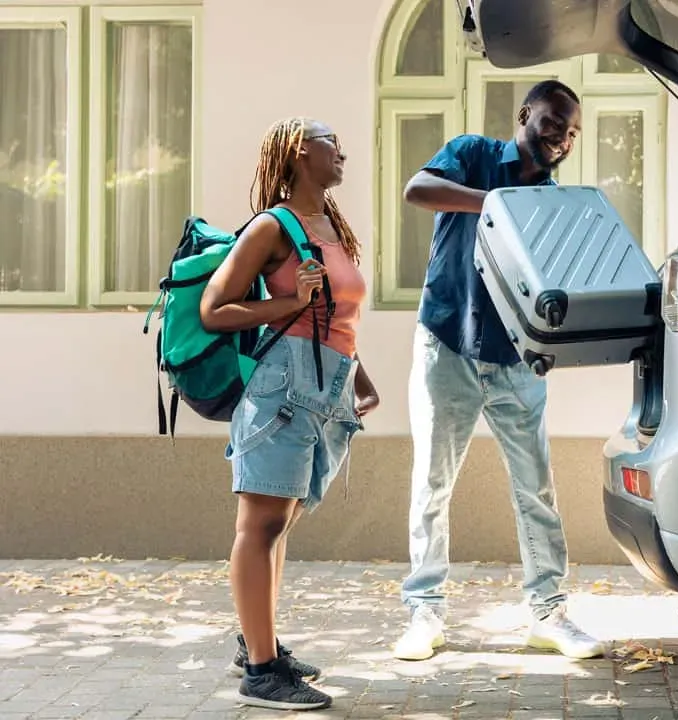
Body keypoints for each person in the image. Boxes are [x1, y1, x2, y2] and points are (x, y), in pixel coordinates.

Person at [393, 80, 604, 662]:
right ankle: (424, 612)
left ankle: (547, 613)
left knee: (536, 488)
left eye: (572, 131)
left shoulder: (554, 200)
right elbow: (418, 189)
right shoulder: (472, 155)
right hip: (448, 346)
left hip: (518, 361)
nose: (562, 137)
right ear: (525, 116)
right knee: (433, 486)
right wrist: (493, 200)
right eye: (554, 122)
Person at [200, 117, 379, 711]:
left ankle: (260, 643)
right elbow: (214, 308)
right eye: (334, 144)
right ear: (302, 152)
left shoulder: (330, 225)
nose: (343, 153)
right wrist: (288, 301)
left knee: (282, 523)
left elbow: (337, 312)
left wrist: (361, 376)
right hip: (281, 391)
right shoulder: (272, 226)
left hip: (327, 388)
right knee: (262, 526)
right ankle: (260, 672)